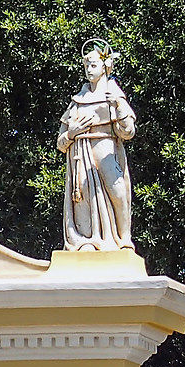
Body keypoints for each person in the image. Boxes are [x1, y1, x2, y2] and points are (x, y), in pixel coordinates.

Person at [57, 46, 135, 251]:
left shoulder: (114, 95)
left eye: (94, 65)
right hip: (80, 156)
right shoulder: (77, 101)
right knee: (82, 197)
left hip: (105, 147)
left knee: (117, 190)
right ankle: (87, 240)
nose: (89, 70)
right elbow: (60, 141)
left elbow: (128, 132)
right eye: (86, 65)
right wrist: (71, 133)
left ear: (105, 66)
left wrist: (118, 107)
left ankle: (124, 238)